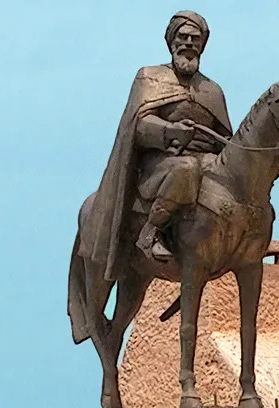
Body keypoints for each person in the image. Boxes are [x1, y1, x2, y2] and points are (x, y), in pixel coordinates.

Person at [78, 11, 232, 280]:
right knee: (185, 168)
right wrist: (170, 131)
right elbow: (137, 125)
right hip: (159, 165)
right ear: (171, 41)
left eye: (195, 39)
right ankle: (151, 232)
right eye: (183, 37)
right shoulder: (150, 77)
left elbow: (224, 140)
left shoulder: (212, 90)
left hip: (205, 164)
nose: (188, 43)